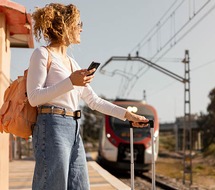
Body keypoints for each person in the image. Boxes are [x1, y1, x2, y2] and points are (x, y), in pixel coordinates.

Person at [27, 3, 148, 190]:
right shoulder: (42, 54)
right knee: (52, 186)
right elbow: (34, 97)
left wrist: (128, 115)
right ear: (63, 26)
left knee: (80, 186)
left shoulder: (73, 64)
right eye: (77, 24)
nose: (81, 28)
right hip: (51, 125)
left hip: (73, 127)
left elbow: (94, 101)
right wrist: (70, 82)